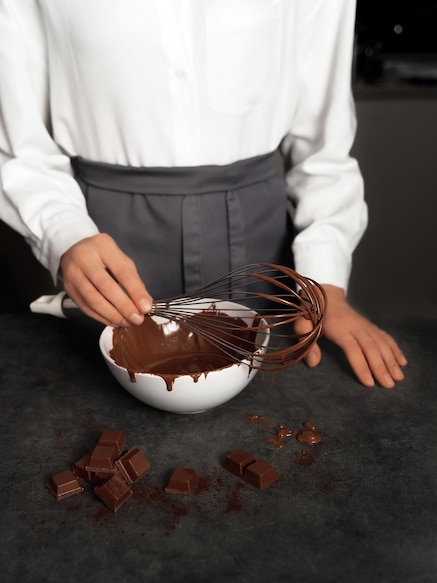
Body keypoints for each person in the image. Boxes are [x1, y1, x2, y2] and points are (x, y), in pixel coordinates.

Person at [0, 0, 406, 388]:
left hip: (261, 253)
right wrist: (63, 232)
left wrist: (326, 286)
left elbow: (325, 148)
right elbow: (20, 143)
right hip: (104, 243)